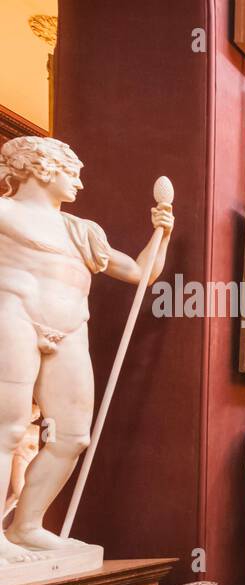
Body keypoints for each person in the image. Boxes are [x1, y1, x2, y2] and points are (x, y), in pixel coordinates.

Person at [0, 136, 173, 563]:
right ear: (41, 169)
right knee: (6, 430)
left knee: (74, 436)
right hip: (12, 314)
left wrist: (162, 232)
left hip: (71, 327)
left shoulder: (81, 230)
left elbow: (139, 272)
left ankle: (27, 526)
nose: (78, 181)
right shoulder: (4, 213)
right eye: (70, 171)